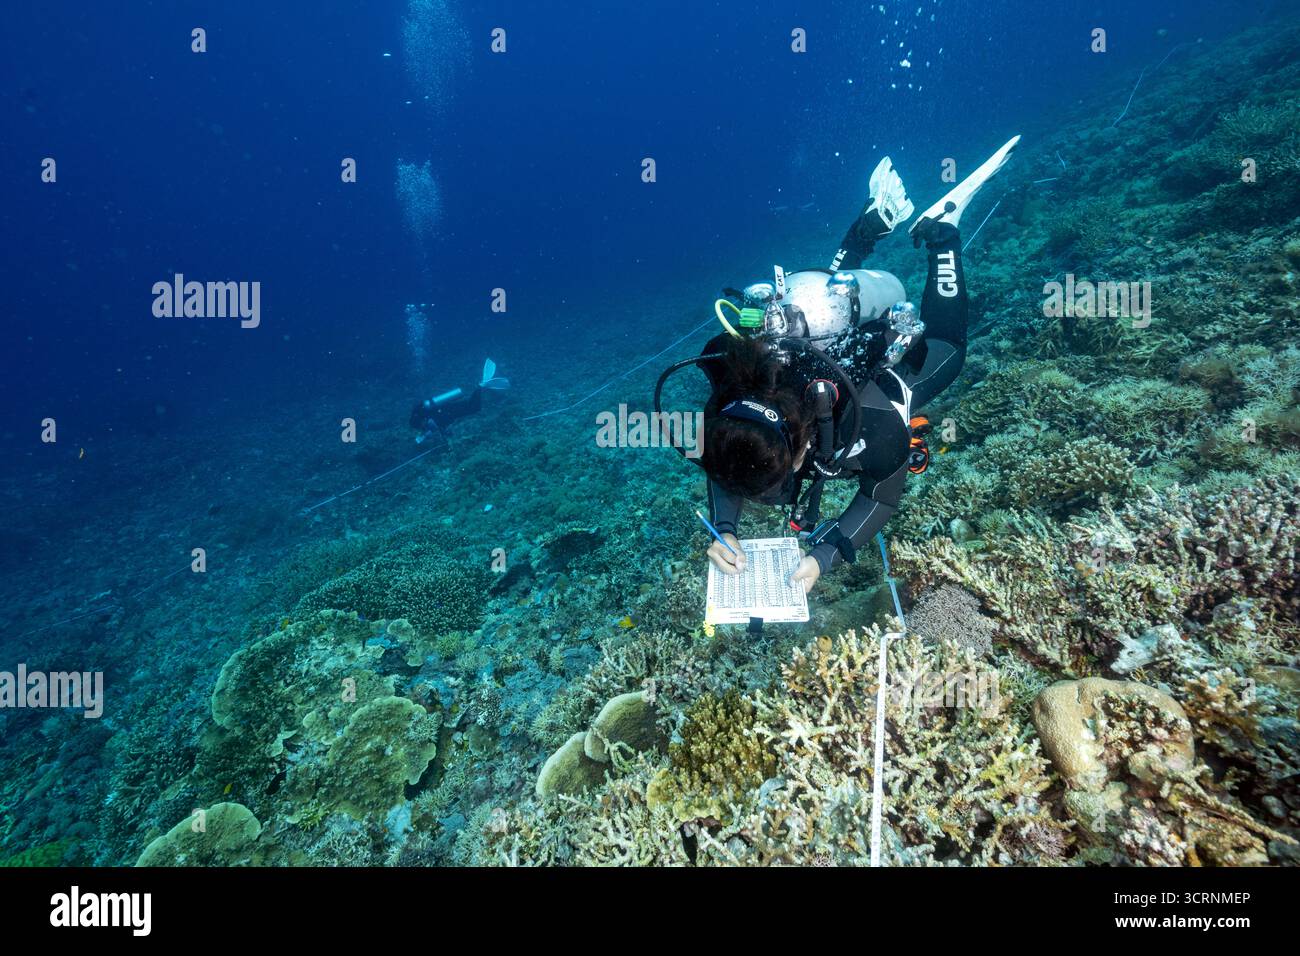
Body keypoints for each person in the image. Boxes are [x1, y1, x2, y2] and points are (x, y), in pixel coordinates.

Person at [656, 136, 1019, 596]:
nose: (762, 500)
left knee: (948, 351)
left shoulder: (873, 428)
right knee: (821, 305)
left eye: (764, 491)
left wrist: (826, 554)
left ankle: (941, 234)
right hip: (809, 338)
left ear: (803, 451)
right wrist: (724, 527)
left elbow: (880, 495)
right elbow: (725, 468)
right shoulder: (729, 404)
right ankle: (866, 230)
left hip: (865, 375)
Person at [409, 358, 511, 444]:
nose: (421, 427)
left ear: (419, 422)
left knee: (474, 407)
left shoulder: (429, 419)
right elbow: (442, 425)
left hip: (451, 410)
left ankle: (481, 386)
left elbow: (440, 423)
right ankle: (481, 386)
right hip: (450, 409)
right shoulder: (426, 417)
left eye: (420, 426)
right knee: (472, 406)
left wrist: (430, 434)